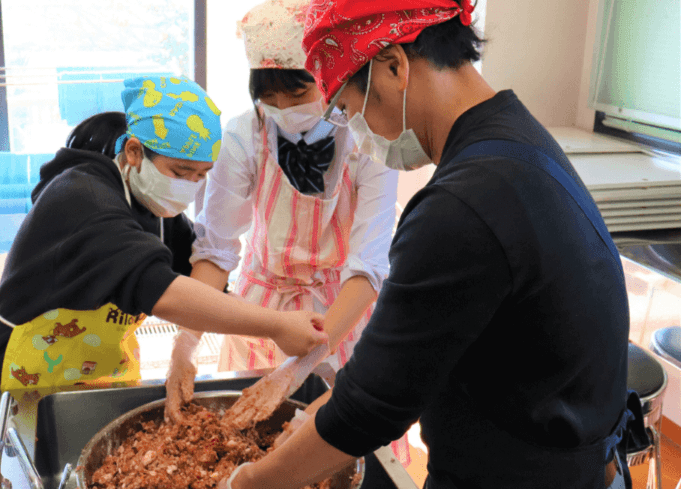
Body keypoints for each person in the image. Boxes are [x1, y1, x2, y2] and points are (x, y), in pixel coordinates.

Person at [220, 1, 632, 489]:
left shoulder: (463, 203)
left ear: (394, 66)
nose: (362, 131)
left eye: (352, 109)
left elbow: (370, 409)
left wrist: (245, 483)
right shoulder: (516, 139)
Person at [0, 76, 327, 405]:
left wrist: (184, 351)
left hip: (100, 374)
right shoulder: (80, 198)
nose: (190, 186)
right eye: (180, 172)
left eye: (201, 175)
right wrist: (275, 325)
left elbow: (203, 281)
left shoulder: (153, 207)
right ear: (135, 152)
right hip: (19, 380)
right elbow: (164, 292)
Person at [190, 0, 398, 376]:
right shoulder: (246, 134)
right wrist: (185, 343)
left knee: (341, 421)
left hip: (344, 307)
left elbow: (369, 263)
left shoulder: (366, 136)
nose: (283, 109)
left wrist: (308, 360)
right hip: (262, 311)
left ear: (327, 77)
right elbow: (217, 249)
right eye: (270, 100)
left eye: (298, 96)